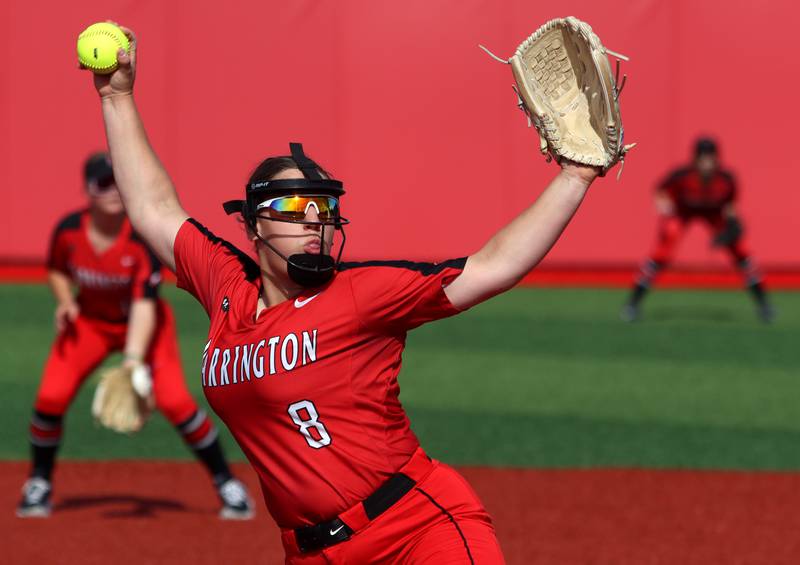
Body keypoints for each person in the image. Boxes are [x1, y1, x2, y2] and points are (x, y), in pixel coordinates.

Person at [86, 25, 603, 564]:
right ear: (253, 227)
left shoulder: (362, 294)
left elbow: (494, 266)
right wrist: (116, 96)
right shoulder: (225, 286)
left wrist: (576, 176)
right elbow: (152, 210)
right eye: (293, 209)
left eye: (323, 210)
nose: (314, 222)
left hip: (418, 529)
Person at [16, 152, 255, 520]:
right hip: (91, 323)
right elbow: (57, 271)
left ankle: (227, 482)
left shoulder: (139, 239)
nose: (112, 192)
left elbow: (144, 305)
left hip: (147, 327)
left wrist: (132, 360)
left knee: (176, 403)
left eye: (118, 183)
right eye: (103, 183)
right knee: (50, 396)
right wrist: (65, 302)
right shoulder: (68, 231)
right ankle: (39, 482)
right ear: (87, 191)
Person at [621, 137, 774, 322]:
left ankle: (764, 306)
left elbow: (731, 207)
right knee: (663, 252)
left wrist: (732, 225)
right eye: (703, 159)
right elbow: (660, 190)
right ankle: (632, 304)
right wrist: (663, 203)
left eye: (711, 158)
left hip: (714, 213)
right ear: (695, 159)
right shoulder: (682, 176)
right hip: (683, 212)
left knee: (741, 253)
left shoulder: (726, 180)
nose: (707, 164)